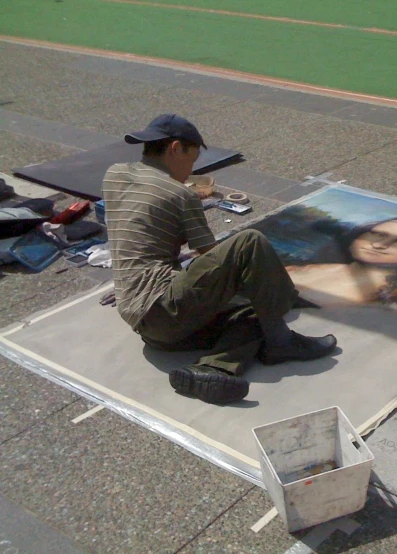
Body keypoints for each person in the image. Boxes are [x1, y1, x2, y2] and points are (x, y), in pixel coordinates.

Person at [101, 114, 337, 405]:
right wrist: (275, 287)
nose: (191, 171)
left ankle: (212, 368)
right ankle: (281, 342)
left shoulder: (114, 175)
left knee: (253, 311)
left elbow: (138, 232)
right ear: (175, 148)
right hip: (164, 308)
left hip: (151, 329)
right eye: (192, 159)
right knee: (249, 243)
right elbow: (213, 258)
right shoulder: (178, 194)